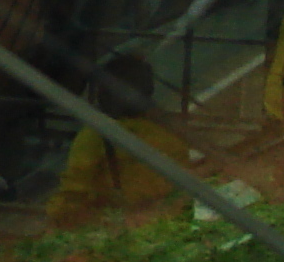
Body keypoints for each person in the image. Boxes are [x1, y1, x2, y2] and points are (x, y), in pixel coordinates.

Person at [46, 57, 193, 227]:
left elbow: (73, 195)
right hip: (163, 219)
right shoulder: (165, 128)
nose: (99, 96)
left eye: (106, 90)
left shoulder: (95, 136)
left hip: (140, 223)